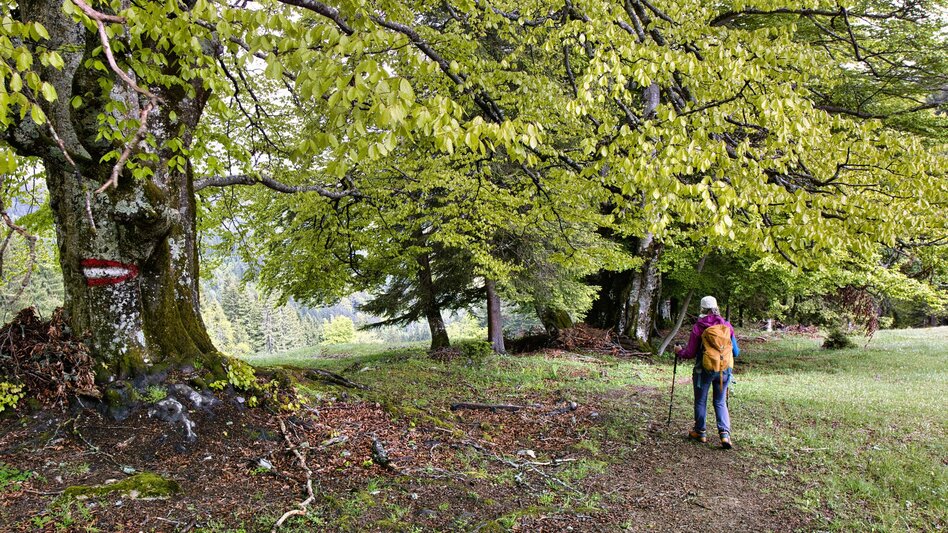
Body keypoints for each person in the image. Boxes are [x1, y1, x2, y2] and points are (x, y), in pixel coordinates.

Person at [675, 296, 740, 449]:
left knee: (700, 400)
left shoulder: (699, 327)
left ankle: (700, 432)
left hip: (704, 369)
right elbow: (736, 352)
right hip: (724, 369)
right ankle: (725, 435)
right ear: (716, 307)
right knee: (720, 401)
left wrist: (679, 352)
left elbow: (690, 353)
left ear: (702, 309)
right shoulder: (727, 325)